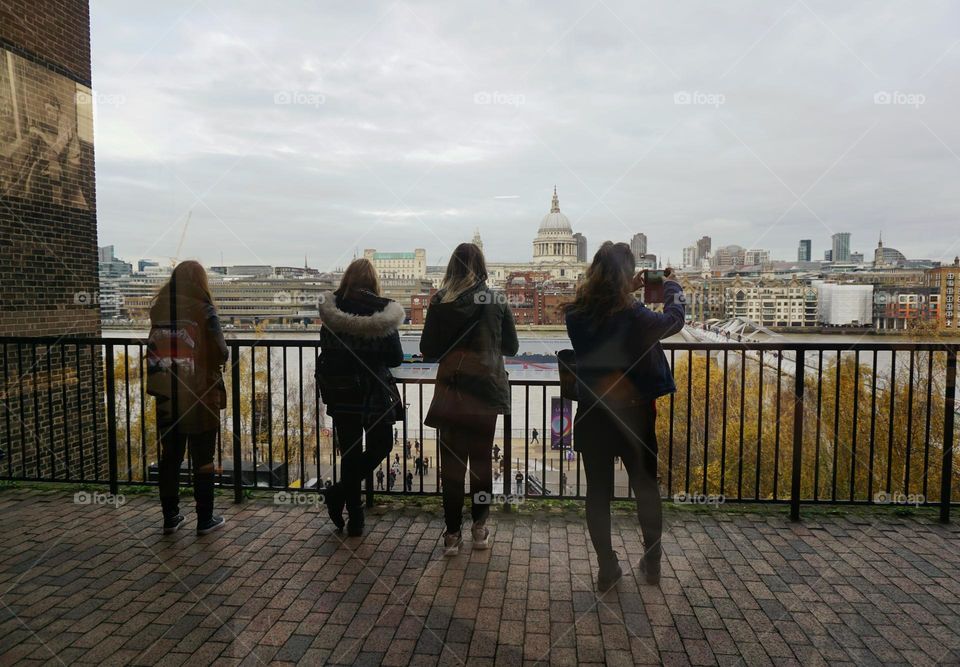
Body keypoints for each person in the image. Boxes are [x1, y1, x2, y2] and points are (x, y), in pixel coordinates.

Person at [565, 242, 685, 590]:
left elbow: (603, 313)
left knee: (597, 493)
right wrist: (671, 288)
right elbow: (674, 322)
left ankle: (607, 567)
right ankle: (652, 563)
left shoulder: (575, 313)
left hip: (593, 412)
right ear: (624, 275)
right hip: (634, 416)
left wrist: (623, 289)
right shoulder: (635, 315)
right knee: (646, 490)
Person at [421, 243, 518, 556]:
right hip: (485, 392)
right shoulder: (496, 299)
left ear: (452, 267)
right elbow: (513, 347)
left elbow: (429, 349)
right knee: (481, 464)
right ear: (482, 267)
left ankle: (451, 535)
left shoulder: (439, 301)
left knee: (451, 467)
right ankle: (479, 528)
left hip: (452, 390)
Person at [317, 258, 405, 536]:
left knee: (351, 453)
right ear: (373, 282)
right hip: (373, 392)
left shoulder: (332, 312)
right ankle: (340, 495)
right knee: (382, 446)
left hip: (341, 392)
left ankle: (354, 517)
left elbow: (326, 348)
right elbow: (395, 357)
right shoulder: (382, 311)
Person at [149, 261, 228, 536]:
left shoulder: (158, 308)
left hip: (166, 391)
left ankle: (170, 517)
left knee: (170, 455)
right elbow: (221, 351)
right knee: (203, 457)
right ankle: (204, 520)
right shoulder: (205, 310)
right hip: (200, 393)